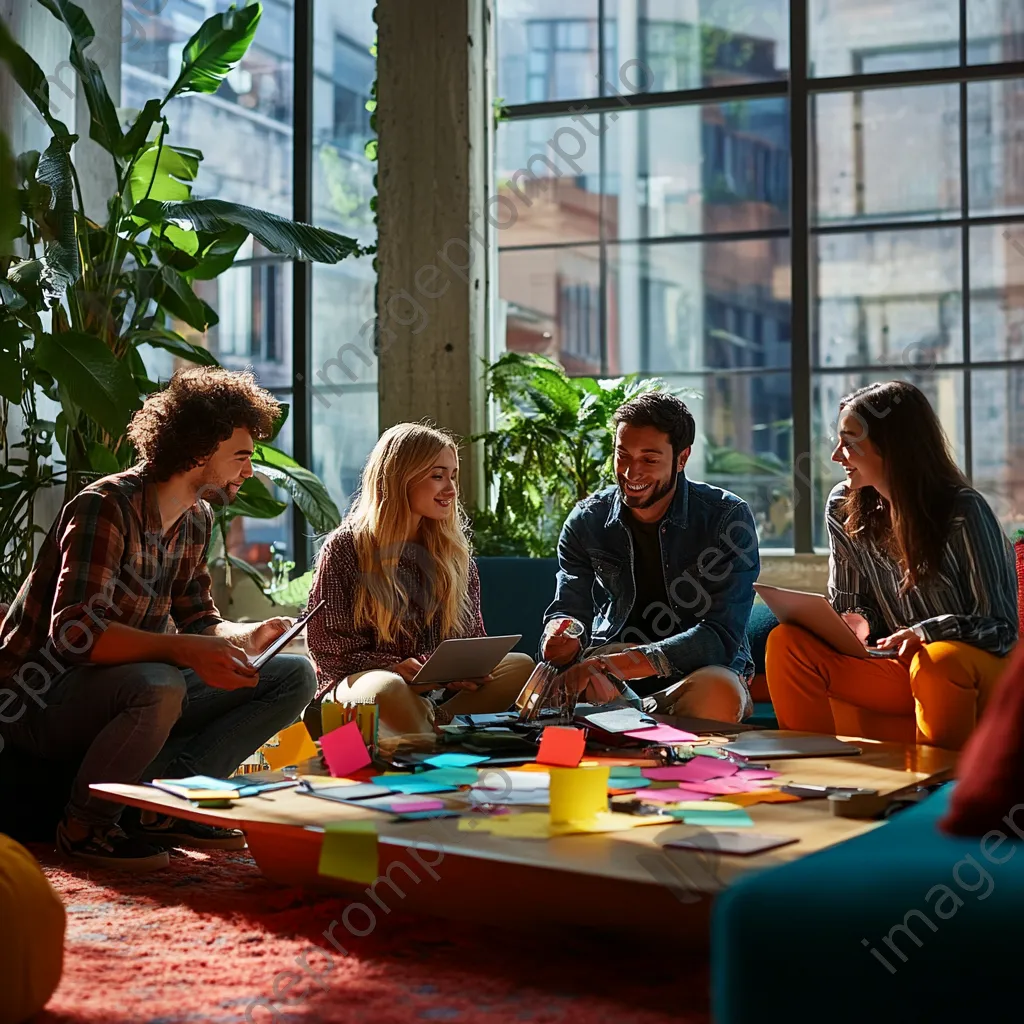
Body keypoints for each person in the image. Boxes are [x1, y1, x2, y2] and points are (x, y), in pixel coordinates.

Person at [0, 368, 317, 870]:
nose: (249, 470)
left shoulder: (195, 517)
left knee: (293, 674)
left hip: (131, 687)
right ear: (197, 451)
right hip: (41, 700)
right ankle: (84, 825)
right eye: (240, 456)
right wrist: (182, 651)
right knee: (161, 684)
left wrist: (249, 634)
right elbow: (75, 634)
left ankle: (171, 805)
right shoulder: (104, 507)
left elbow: (199, 620)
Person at [766, 381, 1018, 750]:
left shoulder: (963, 511)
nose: (837, 456)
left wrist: (925, 632)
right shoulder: (843, 505)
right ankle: (814, 769)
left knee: (936, 661)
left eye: (849, 442)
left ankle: (935, 790)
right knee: (787, 642)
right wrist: (853, 619)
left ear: (893, 447)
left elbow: (1001, 628)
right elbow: (851, 600)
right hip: (896, 665)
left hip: (966, 666)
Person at [541, 391, 760, 722]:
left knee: (719, 694)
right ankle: (638, 729)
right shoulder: (588, 520)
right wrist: (562, 633)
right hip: (609, 668)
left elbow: (720, 636)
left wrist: (625, 663)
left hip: (696, 671)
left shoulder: (726, 518)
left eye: (649, 459)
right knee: (582, 683)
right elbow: (570, 608)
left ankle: (647, 728)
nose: (631, 472)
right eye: (623, 455)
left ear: (682, 458)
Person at [306, 423, 534, 736]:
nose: (452, 490)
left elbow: (469, 637)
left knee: (519, 666)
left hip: (434, 690)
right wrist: (394, 667)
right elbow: (328, 648)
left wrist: (457, 671)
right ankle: (437, 733)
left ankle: (428, 729)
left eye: (453, 476)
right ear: (401, 477)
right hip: (361, 681)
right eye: (438, 476)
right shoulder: (347, 547)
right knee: (389, 687)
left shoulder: (452, 551)